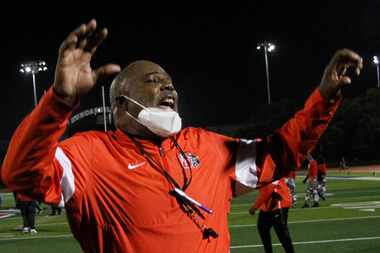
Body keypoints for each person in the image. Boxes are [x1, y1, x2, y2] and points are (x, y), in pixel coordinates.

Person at [1, 19, 362, 252]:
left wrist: (324, 97)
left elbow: (281, 154)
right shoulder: (89, 154)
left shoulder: (206, 145)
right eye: (152, 81)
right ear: (120, 106)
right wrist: (59, 101)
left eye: (170, 82)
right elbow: (20, 174)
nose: (167, 87)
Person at [249, 178, 294, 253]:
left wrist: (255, 207)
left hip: (278, 203)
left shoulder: (271, 169)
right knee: (262, 227)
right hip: (268, 204)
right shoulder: (263, 169)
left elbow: (268, 189)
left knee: (282, 234)